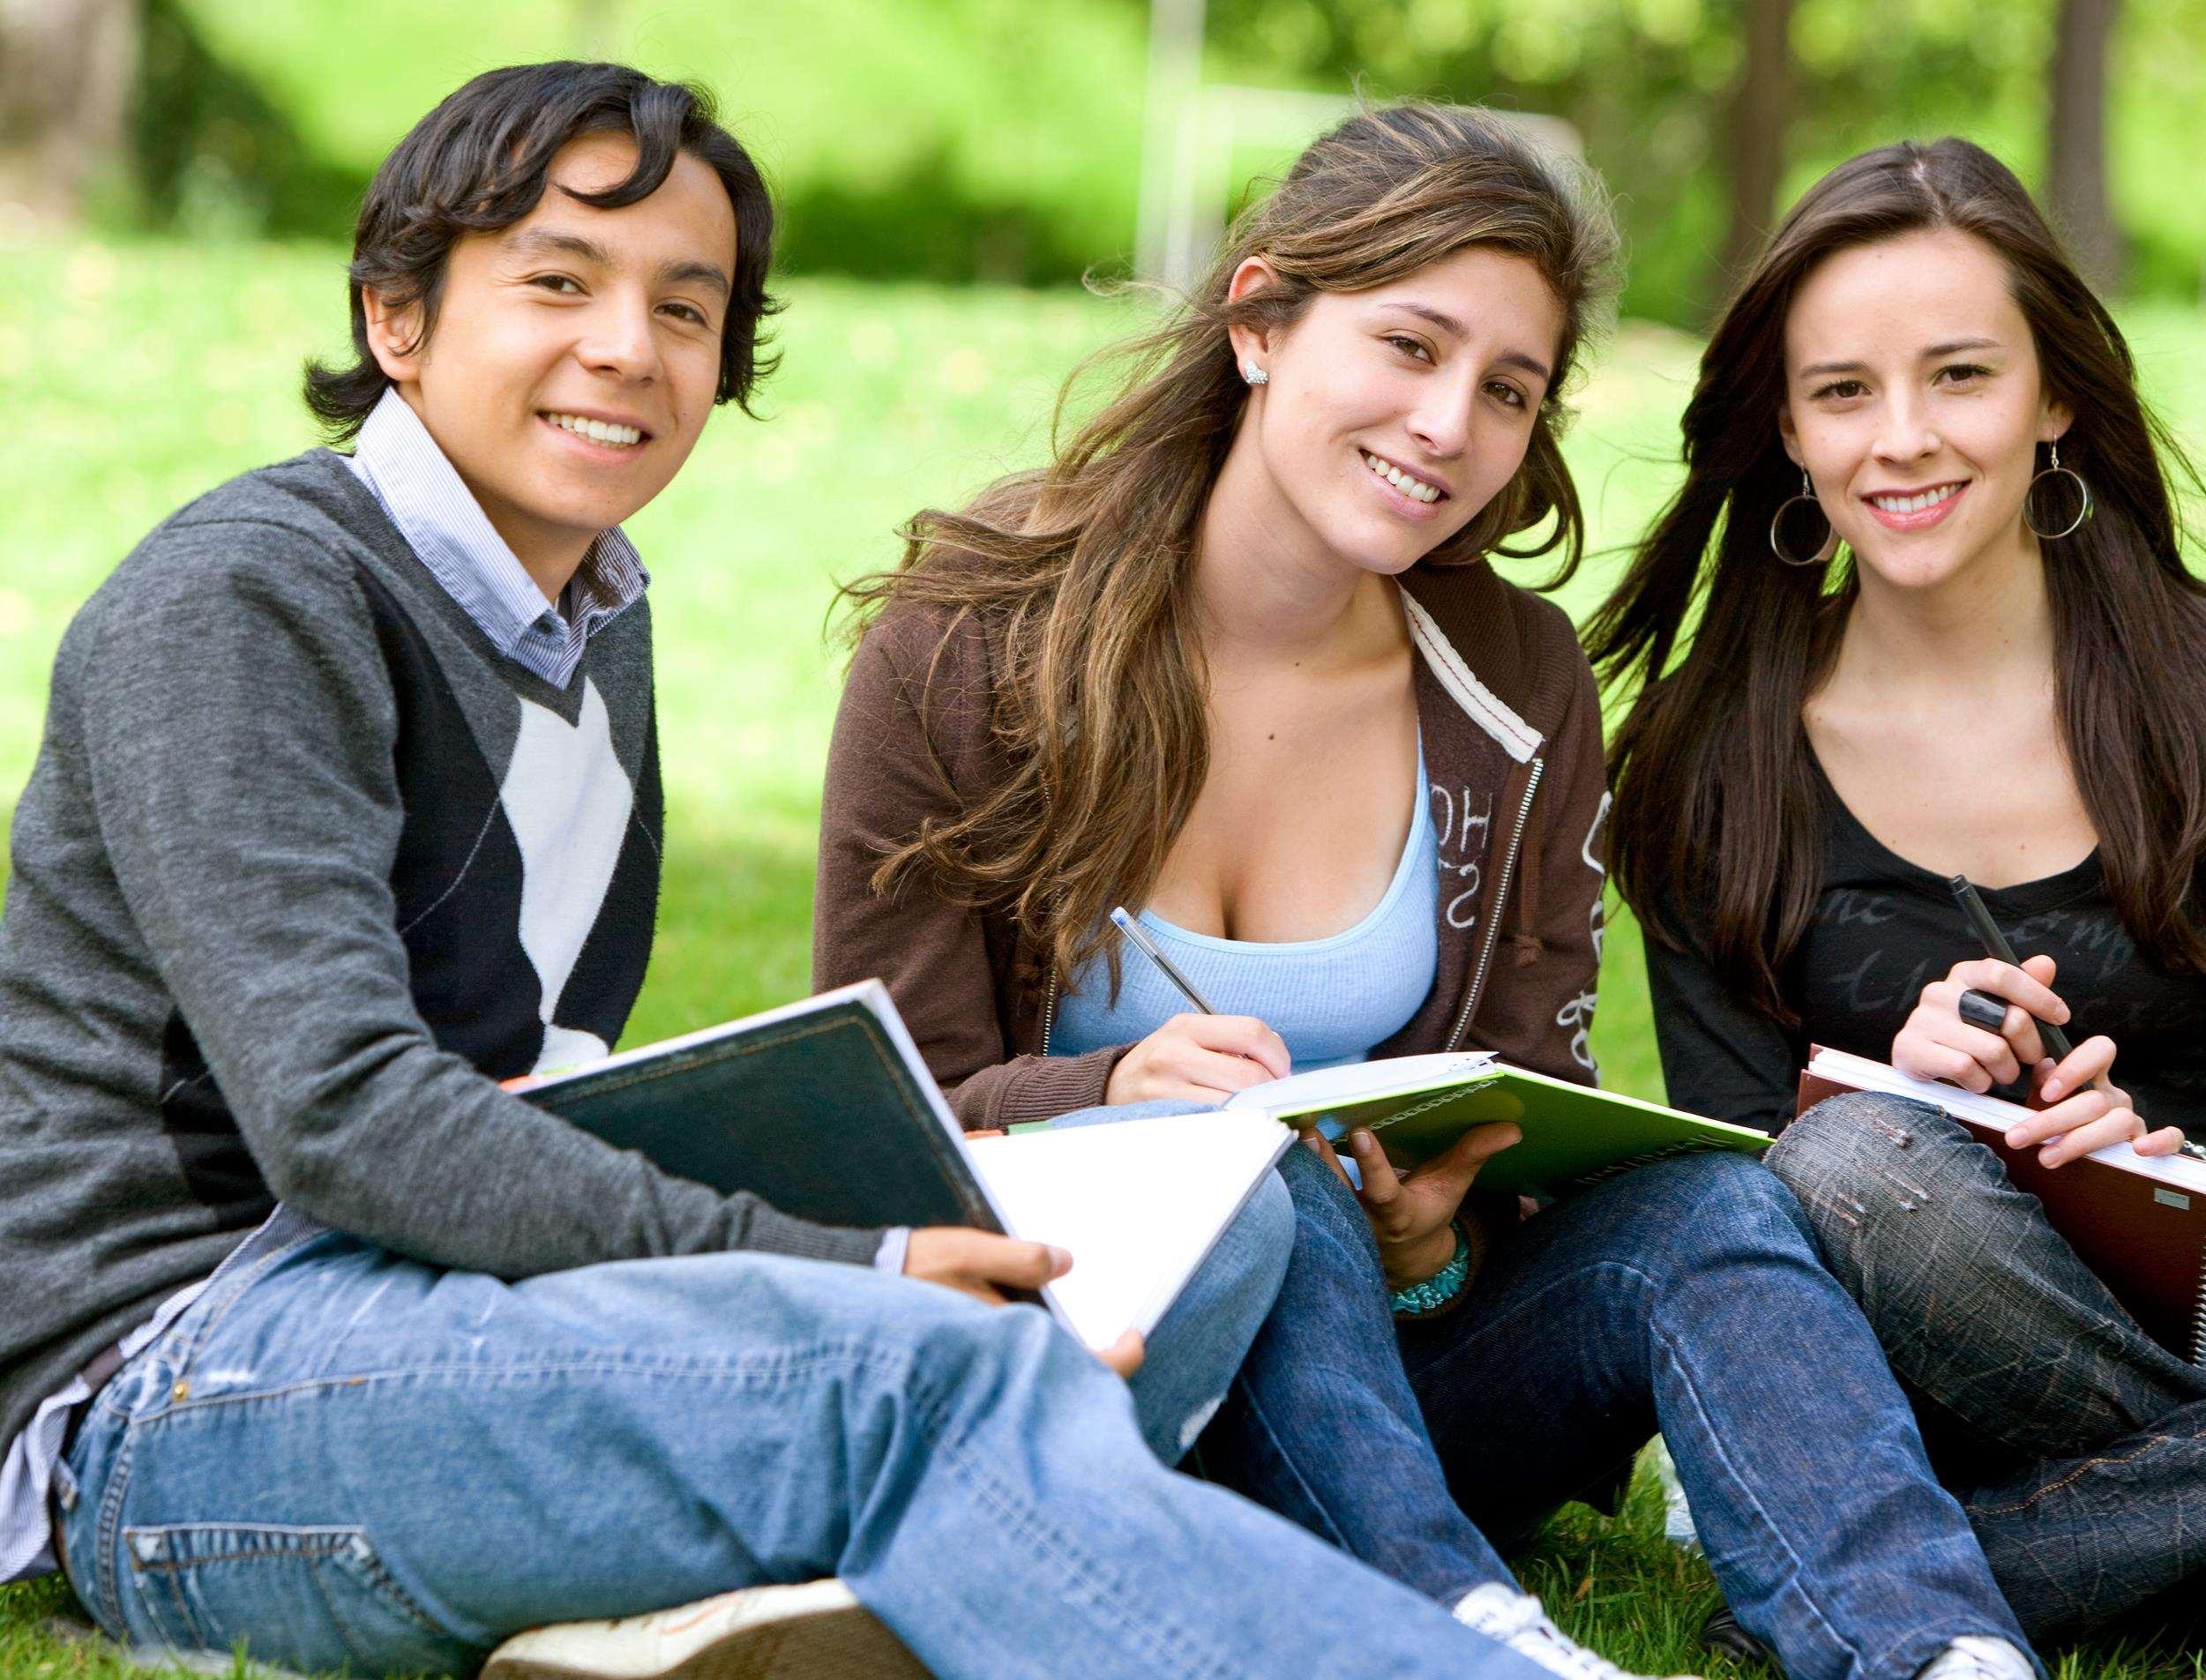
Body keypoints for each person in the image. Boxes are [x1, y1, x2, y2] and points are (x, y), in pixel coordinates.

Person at [0, 61, 1590, 1680]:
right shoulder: (246, 605)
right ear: (396, 316)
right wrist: (848, 1266)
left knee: (1215, 1223)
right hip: (175, 1390)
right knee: (929, 1360)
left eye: (685, 309)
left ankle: (789, 1587)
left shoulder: (586, 629)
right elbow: (347, 1120)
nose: (628, 348)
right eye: (559, 281)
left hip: (457, 1309)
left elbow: (538, 1082)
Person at [818, 101, 2040, 1680]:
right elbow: (875, 1120)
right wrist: (1114, 1085)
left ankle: (1936, 1647)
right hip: (1093, 1355)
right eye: (1410, 345)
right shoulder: (970, 638)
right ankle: (1460, 1636)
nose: (1450, 422)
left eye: (1508, 388)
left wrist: (1444, 1237)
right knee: (1249, 1169)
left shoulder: (1516, 683)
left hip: (1397, 1371)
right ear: (1261, 320)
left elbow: (1537, 1097)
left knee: (1711, 1205)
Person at [1592, 135, 2206, 1657]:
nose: (1902, 439)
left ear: (2055, 395)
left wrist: (2171, 1175)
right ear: (1787, 428)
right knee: (1857, 1164)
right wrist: (1895, 1104)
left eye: (1960, 376)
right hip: (1908, 1356)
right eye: (1844, 391)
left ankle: (2017, 1559)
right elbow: (1719, 1223)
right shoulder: (1699, 755)